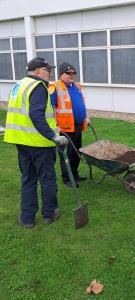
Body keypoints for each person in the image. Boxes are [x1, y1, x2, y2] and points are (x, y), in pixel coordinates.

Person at [4, 57, 68, 229]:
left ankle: (27, 218)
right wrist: (53, 136)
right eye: (48, 70)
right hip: (39, 143)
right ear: (38, 71)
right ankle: (50, 213)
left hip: (21, 141)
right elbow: (36, 115)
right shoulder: (38, 86)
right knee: (47, 178)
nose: (50, 74)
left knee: (28, 178)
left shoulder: (19, 85)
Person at [49, 62, 89, 187]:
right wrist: (56, 126)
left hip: (77, 126)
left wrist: (86, 117)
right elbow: (51, 108)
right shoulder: (55, 87)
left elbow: (81, 104)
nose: (72, 75)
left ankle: (75, 174)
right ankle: (67, 179)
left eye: (73, 73)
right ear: (61, 74)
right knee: (67, 154)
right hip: (65, 129)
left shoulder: (77, 86)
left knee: (77, 152)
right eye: (69, 73)